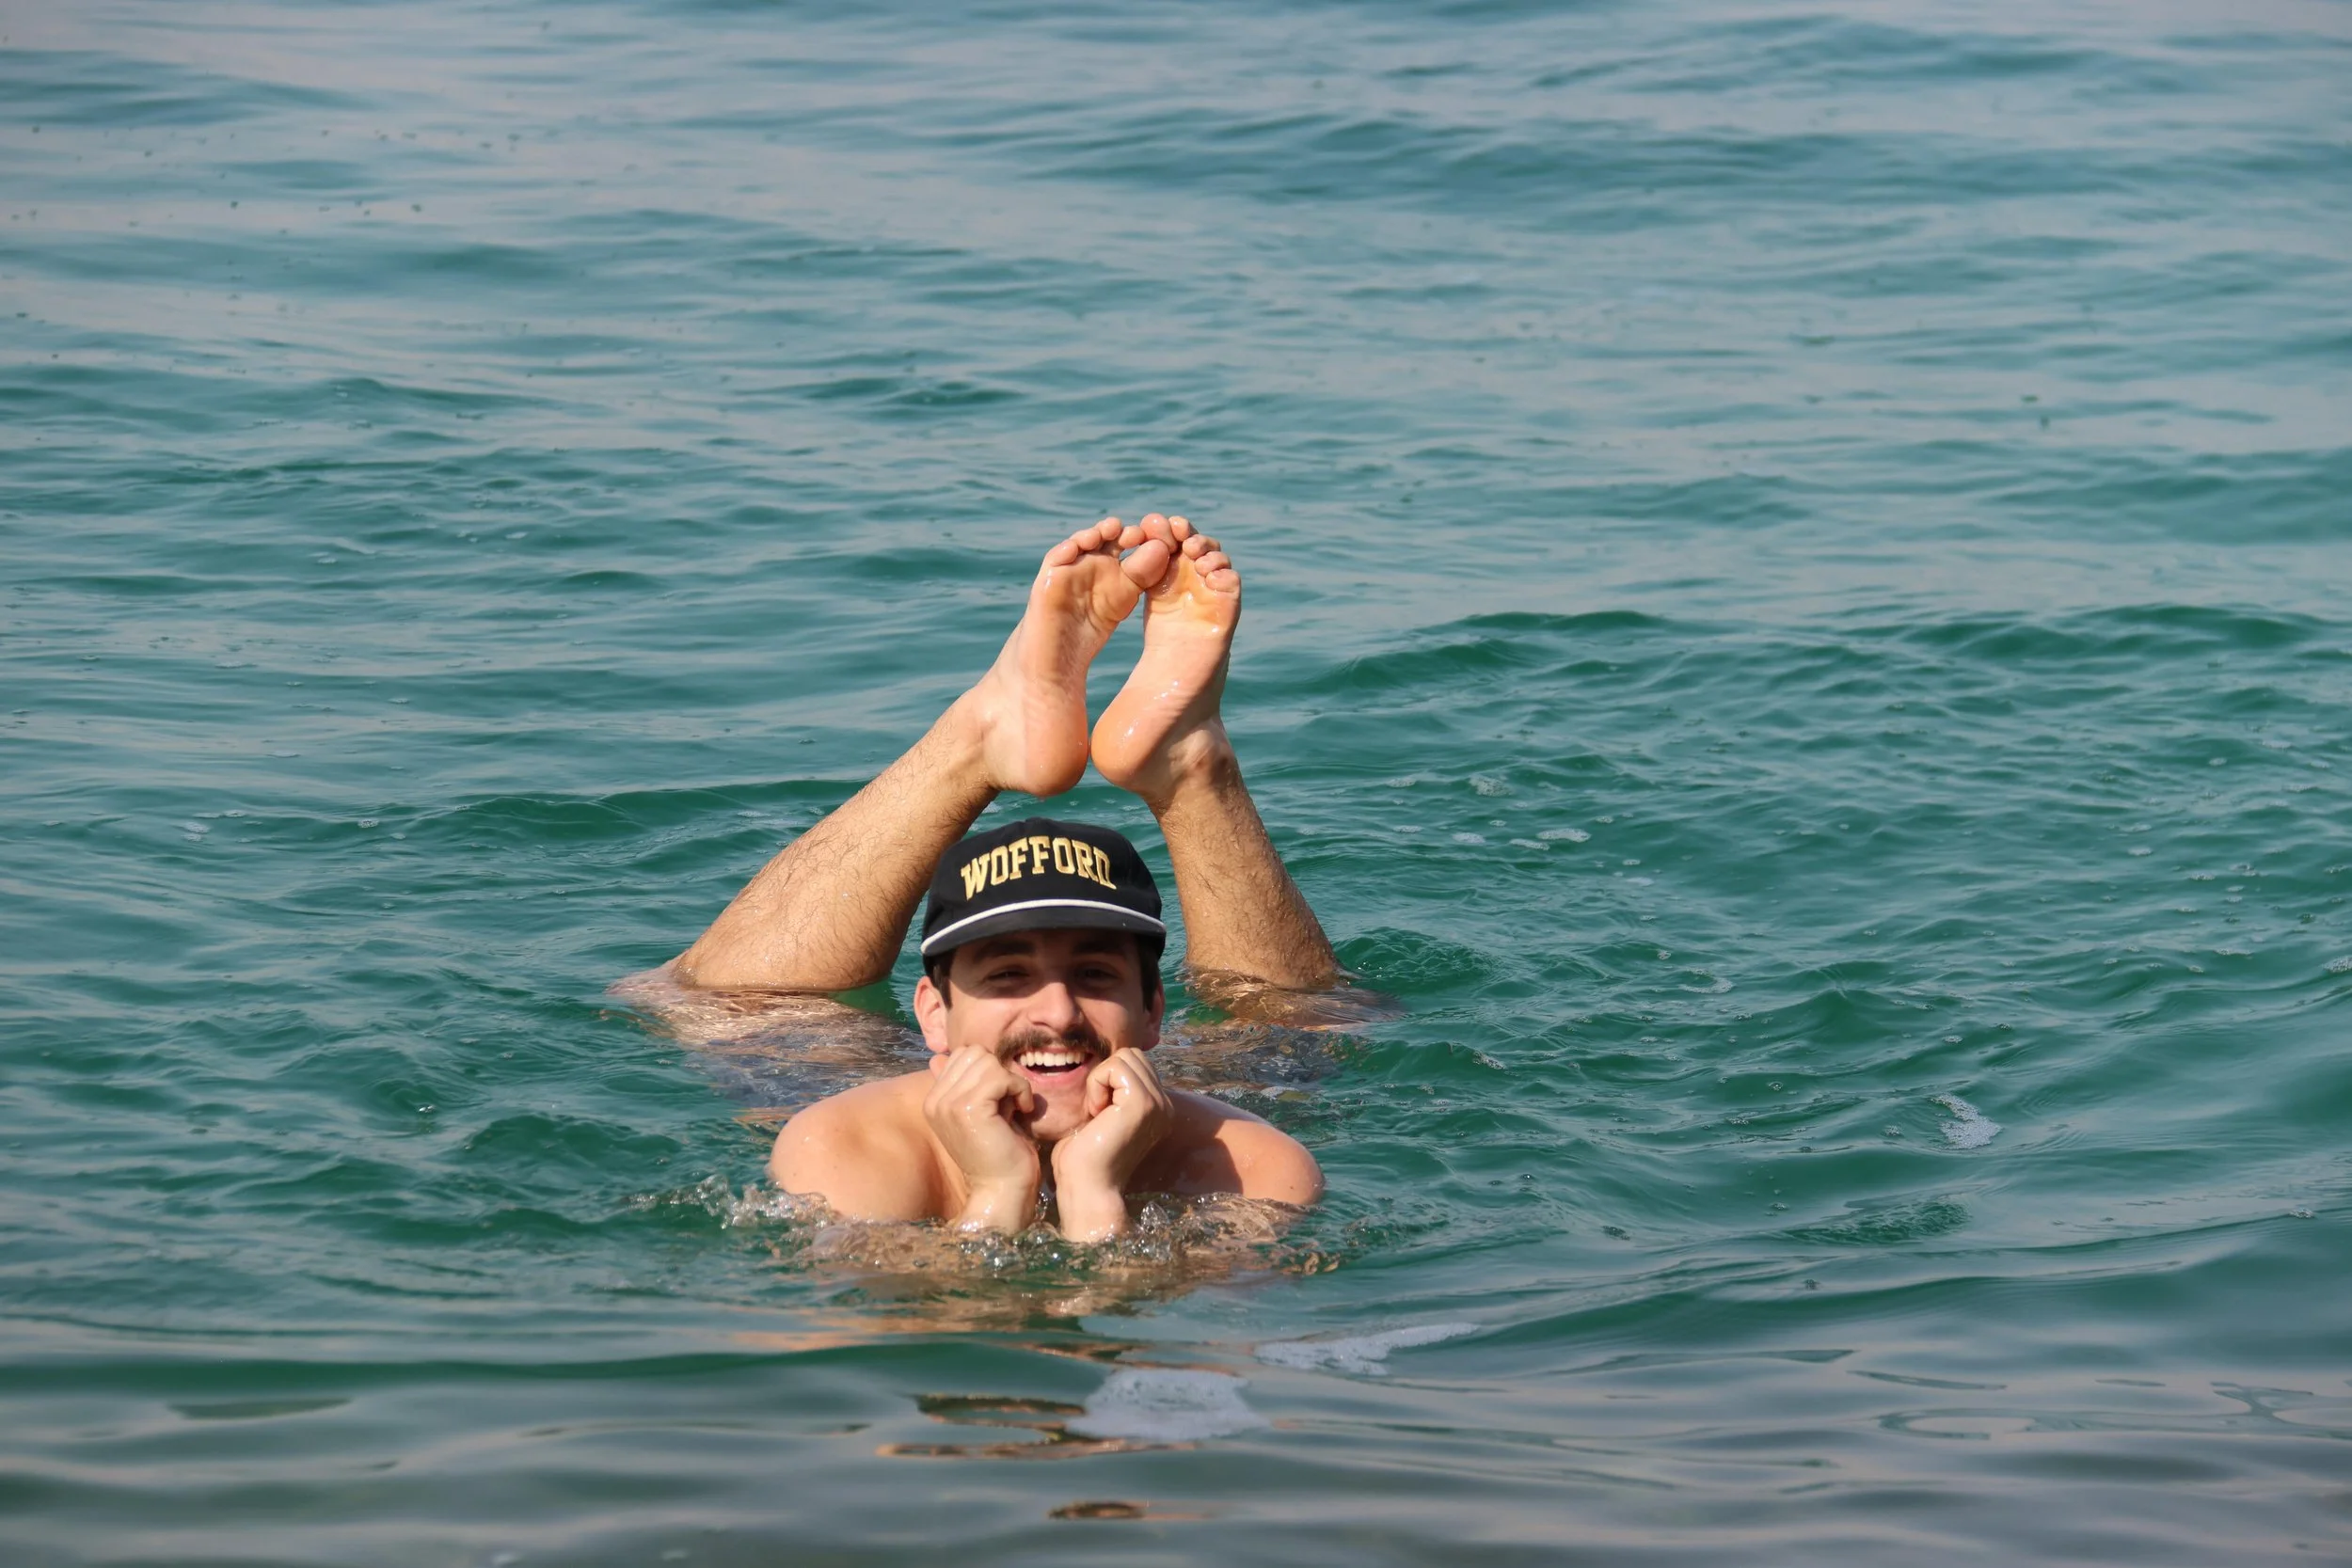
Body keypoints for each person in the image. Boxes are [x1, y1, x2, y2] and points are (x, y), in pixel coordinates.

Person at [663, 515, 1340, 1241]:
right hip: (901, 1096)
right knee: (732, 1013)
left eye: (1095, 973)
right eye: (1009, 973)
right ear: (932, 1013)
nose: (1058, 1010)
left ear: (1154, 1010)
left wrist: (1095, 1196)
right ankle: (988, 733)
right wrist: (997, 1190)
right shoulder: (845, 1144)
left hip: (1157, 1100)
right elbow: (887, 1341)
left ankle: (1193, 767)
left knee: (1293, 1045)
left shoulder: (1252, 1162)